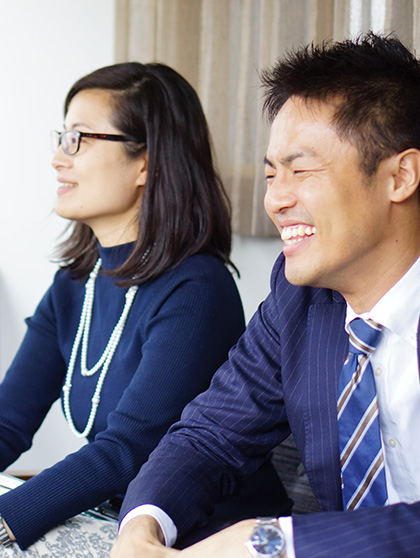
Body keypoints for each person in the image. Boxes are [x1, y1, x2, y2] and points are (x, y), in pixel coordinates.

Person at [111, 32, 420, 558]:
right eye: (271, 174)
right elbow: (210, 435)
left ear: (401, 175)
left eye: (300, 171)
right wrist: (143, 527)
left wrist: (268, 541)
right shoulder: (299, 301)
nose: (275, 200)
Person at [0, 61, 253, 556]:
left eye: (79, 138)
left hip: (190, 536)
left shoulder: (198, 287)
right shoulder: (76, 284)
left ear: (147, 163)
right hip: (103, 519)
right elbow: (9, 420)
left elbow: (127, 452)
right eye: (61, 136)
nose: (57, 157)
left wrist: (8, 518)